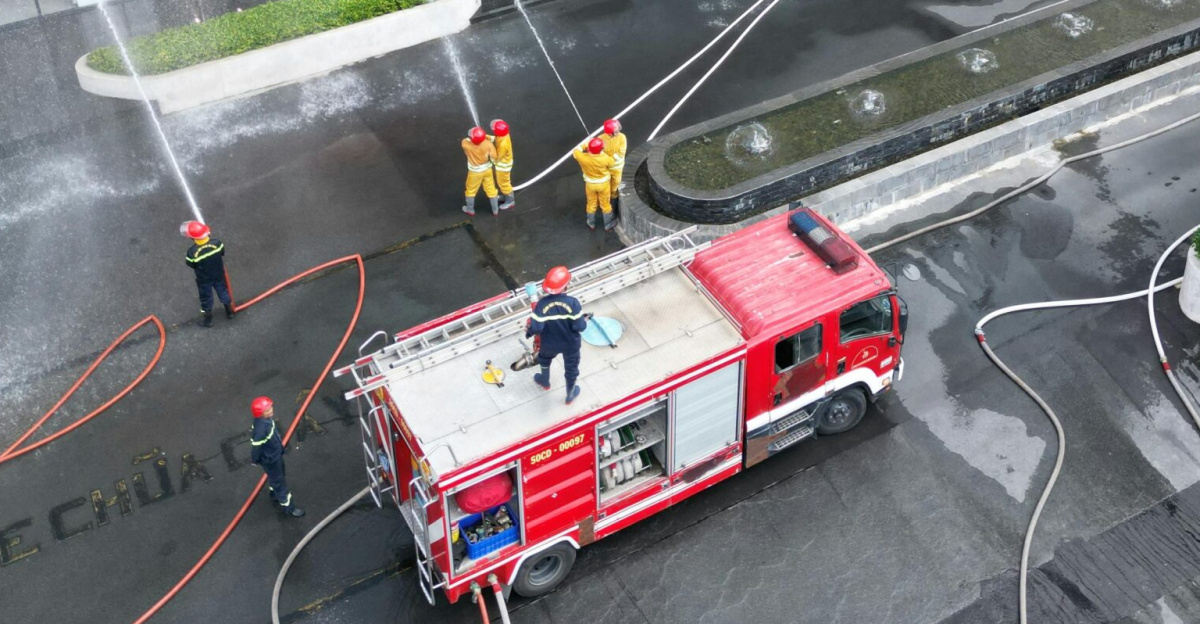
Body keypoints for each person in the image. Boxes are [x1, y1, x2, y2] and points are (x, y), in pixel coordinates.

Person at [527, 266, 588, 404]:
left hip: (549, 344)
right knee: (571, 369)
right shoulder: (573, 303)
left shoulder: (541, 304)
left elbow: (536, 328)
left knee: (544, 359)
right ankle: (570, 394)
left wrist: (529, 333)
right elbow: (580, 327)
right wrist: (584, 321)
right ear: (566, 286)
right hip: (570, 345)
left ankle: (544, 381)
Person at [249, 397, 305, 518]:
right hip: (271, 459)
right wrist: (255, 460)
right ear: (260, 413)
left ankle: (274, 493)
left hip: (275, 454)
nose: (270, 411)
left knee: (276, 478)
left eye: (270, 408)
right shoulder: (261, 429)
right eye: (267, 410)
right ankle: (289, 508)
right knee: (280, 483)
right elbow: (256, 447)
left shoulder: (265, 421)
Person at [184, 221, 233, 328]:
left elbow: (191, 264)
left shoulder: (191, 252)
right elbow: (222, 253)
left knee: (206, 298)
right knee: (223, 291)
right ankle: (229, 312)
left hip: (204, 279)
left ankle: (208, 321)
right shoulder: (217, 243)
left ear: (193, 238)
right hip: (219, 274)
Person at [572, 137, 616, 231]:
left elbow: (575, 150)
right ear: (601, 149)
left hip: (590, 184)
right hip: (603, 184)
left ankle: (591, 224)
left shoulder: (582, 157)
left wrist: (586, 144)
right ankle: (608, 225)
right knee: (606, 204)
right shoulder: (605, 158)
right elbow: (612, 164)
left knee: (591, 203)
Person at [461, 127, 501, 216]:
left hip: (474, 173)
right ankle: (495, 210)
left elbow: (467, 139)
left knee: (471, 190)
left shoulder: (465, 144)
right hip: (487, 170)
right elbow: (494, 157)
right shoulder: (488, 144)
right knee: (491, 189)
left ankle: (470, 209)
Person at [599, 119, 627, 215]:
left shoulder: (622, 137)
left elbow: (621, 152)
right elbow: (599, 153)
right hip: (605, 169)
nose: (618, 132)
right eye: (616, 131)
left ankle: (613, 205)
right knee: (605, 186)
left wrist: (608, 160)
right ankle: (605, 205)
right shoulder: (601, 139)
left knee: (615, 186)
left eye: (618, 130)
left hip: (617, 168)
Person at [490, 119, 516, 210]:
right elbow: (496, 138)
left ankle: (510, 201)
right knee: (503, 183)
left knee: (503, 183)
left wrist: (491, 158)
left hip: (503, 166)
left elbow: (498, 157)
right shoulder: (504, 134)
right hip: (504, 164)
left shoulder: (503, 144)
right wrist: (487, 137)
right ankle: (506, 196)